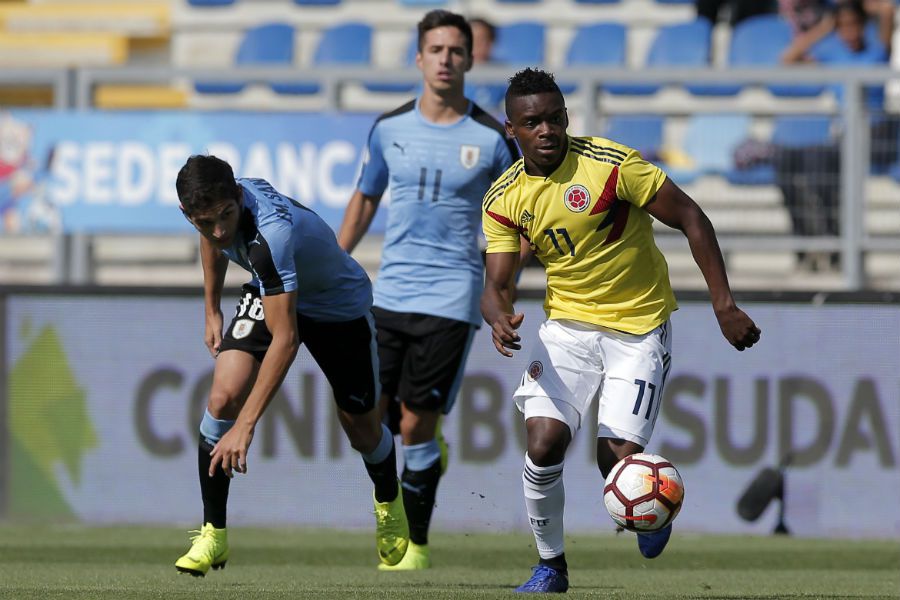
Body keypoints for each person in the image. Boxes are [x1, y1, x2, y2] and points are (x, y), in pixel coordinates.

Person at [481, 68, 761, 593]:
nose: (546, 130)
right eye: (532, 122)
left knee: (613, 460)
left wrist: (724, 305)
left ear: (567, 117)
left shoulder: (611, 166)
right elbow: (495, 282)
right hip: (566, 328)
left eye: (554, 118)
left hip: (637, 328)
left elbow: (692, 218)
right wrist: (498, 315)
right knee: (542, 445)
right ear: (511, 130)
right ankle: (551, 566)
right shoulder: (503, 198)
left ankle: (655, 508)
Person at [337, 9, 518, 571]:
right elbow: (366, 197)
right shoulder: (390, 127)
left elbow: (518, 218)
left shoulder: (490, 138)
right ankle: (417, 467)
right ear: (419, 58)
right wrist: (336, 263)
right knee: (371, 418)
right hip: (388, 294)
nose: (445, 59)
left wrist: (499, 291)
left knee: (415, 423)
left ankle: (413, 544)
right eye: (435, 50)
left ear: (469, 59)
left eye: (456, 51)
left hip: (452, 295)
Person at [173, 155, 409, 576]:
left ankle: (389, 499)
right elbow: (215, 241)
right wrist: (211, 308)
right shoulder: (216, 208)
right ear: (187, 215)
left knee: (362, 429)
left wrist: (245, 428)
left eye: (226, 216)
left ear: (240, 198)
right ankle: (214, 533)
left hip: (337, 308)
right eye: (204, 222)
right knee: (222, 397)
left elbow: (287, 339)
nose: (220, 230)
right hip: (272, 290)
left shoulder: (271, 236)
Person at [778, 0, 895, 270]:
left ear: (863, 26)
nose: (849, 31)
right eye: (842, 26)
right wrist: (825, 27)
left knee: (826, 163)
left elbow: (888, 9)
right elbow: (788, 59)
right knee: (803, 164)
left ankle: (839, 243)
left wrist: (869, 7)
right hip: (843, 137)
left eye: (854, 24)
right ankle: (832, 239)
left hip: (875, 134)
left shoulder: (877, 51)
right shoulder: (832, 52)